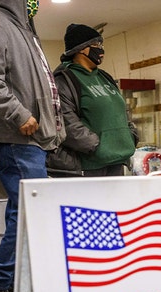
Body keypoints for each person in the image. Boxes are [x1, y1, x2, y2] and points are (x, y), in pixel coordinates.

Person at [0, 0, 65, 292]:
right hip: (16, 136)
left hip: (31, 138)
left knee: (23, 210)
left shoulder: (25, 31)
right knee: (28, 210)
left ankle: (10, 280)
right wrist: (18, 113)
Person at [49, 23, 136, 177]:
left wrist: (130, 137)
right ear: (81, 49)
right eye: (96, 44)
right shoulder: (64, 80)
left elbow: (122, 111)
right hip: (88, 165)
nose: (101, 49)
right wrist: (96, 146)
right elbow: (66, 122)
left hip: (117, 160)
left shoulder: (105, 77)